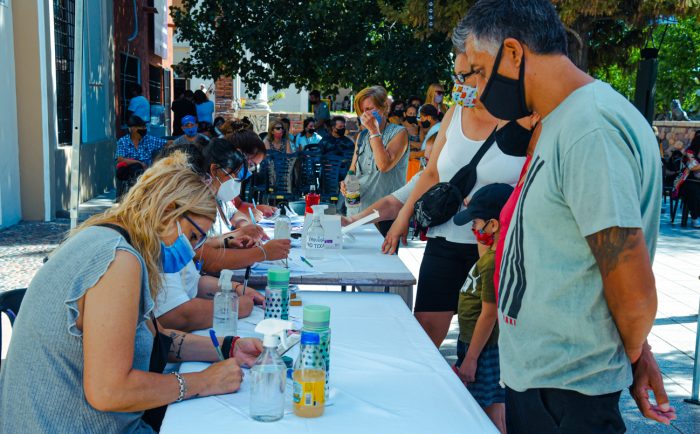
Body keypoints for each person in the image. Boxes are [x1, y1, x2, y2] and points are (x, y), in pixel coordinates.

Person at [455, 1, 675, 431]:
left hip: (567, 391)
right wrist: (640, 352)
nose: (477, 90)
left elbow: (630, 279)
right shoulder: (563, 121)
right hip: (547, 383)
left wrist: (628, 355)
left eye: (478, 72)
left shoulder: (589, 129)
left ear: (514, 53)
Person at [0, 153, 262, 433]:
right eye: (193, 236)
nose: (192, 251)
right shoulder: (118, 259)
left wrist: (228, 347)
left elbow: (153, 338)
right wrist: (204, 382)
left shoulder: (108, 239)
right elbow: (109, 391)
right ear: (167, 210)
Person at [382, 52, 526, 348]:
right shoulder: (453, 115)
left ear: (489, 74)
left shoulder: (526, 122)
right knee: (424, 334)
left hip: (495, 248)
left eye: (464, 76)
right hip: (445, 240)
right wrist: (402, 218)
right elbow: (431, 173)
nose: (458, 85)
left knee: (488, 344)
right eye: (455, 76)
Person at [452, 183, 512, 434]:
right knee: (496, 412)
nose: (474, 228)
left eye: (476, 222)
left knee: (485, 418)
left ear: (494, 225)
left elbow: (489, 314)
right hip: (479, 346)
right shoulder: (494, 256)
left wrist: (471, 359)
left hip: (483, 351)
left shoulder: (492, 264)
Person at [197, 134, 291, 274]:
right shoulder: (196, 204)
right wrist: (262, 253)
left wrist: (235, 235)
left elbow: (233, 215)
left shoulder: (219, 197)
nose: (236, 180)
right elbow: (204, 257)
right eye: (233, 174)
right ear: (214, 170)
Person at [342, 86, 408, 237]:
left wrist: (374, 131)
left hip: (384, 216)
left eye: (369, 109)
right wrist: (346, 182)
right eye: (362, 111)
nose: (365, 115)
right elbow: (353, 169)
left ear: (384, 107)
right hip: (356, 213)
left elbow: (384, 165)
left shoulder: (399, 133)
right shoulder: (362, 136)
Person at [115, 115, 167, 188]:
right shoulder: (123, 141)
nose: (144, 129)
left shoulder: (148, 139)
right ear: (133, 129)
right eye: (142, 127)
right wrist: (139, 163)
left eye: (145, 127)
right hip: (129, 173)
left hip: (147, 174)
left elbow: (166, 143)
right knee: (137, 168)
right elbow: (120, 159)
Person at [676, 134, 700, 227]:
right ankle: (695, 217)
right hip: (688, 181)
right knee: (694, 191)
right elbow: (692, 166)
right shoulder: (689, 152)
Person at [419, 104, 441, 168]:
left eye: (422, 117)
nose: (421, 120)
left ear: (429, 117)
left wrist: (414, 155)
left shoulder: (437, 129)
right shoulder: (434, 128)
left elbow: (432, 150)